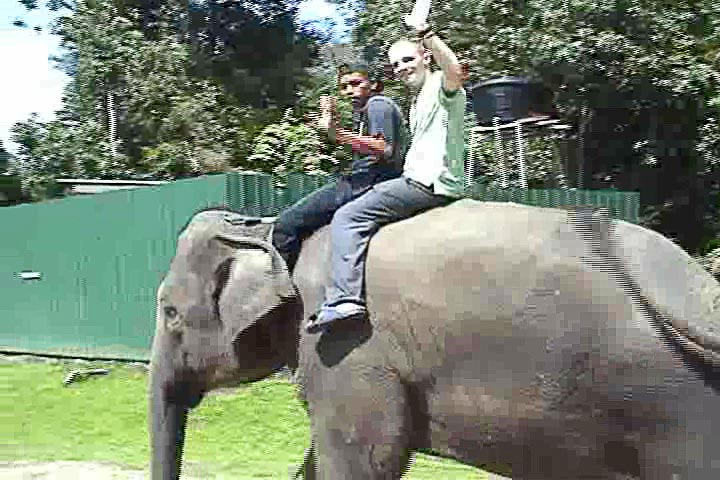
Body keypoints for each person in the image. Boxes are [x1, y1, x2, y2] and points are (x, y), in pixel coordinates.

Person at [307, 23, 467, 332]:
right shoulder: (419, 99)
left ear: (426, 58)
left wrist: (427, 33)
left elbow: (455, 70)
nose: (402, 68)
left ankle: (344, 300)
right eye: (396, 64)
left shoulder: (440, 87)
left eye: (408, 60)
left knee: (347, 217)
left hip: (427, 182)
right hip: (421, 178)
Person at [272, 63, 407, 272]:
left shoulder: (378, 104)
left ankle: (277, 289)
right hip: (368, 178)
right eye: (344, 87)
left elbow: (383, 147)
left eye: (355, 83)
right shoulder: (363, 113)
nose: (349, 91)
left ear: (374, 84)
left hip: (368, 181)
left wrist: (337, 132)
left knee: (286, 224)